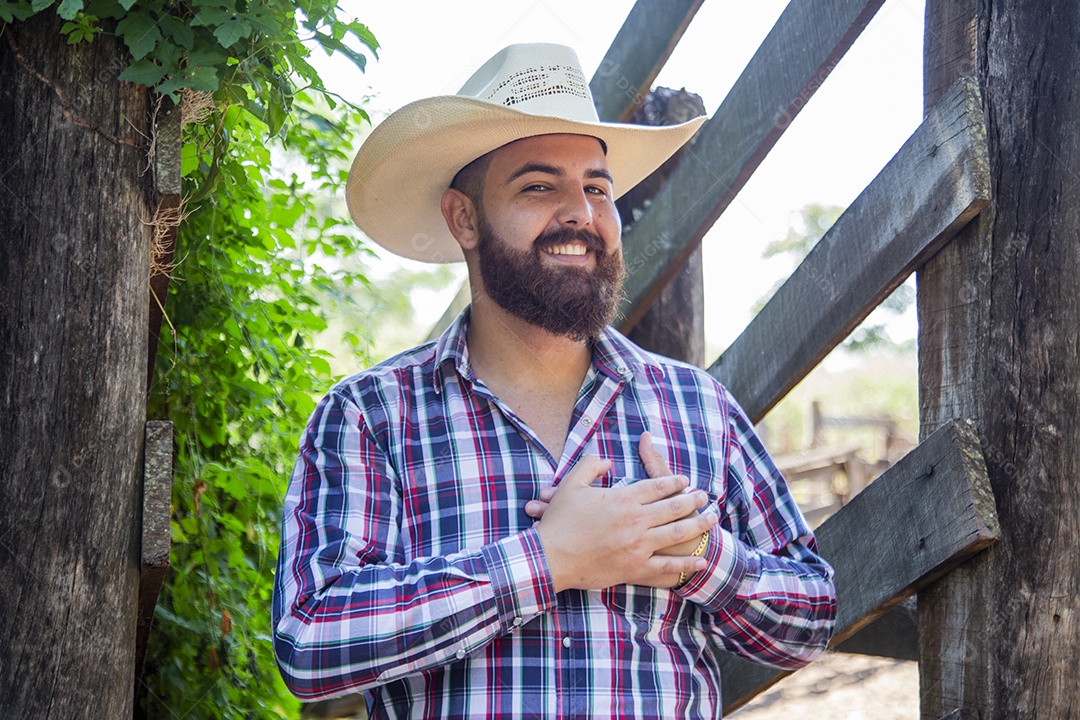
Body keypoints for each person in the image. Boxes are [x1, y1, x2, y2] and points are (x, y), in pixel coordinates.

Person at [273, 43, 836, 719]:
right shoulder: (370, 415)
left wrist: (704, 560)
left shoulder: (697, 405)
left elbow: (809, 620)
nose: (582, 214)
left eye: (597, 188)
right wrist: (547, 561)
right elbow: (310, 641)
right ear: (464, 217)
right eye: (540, 187)